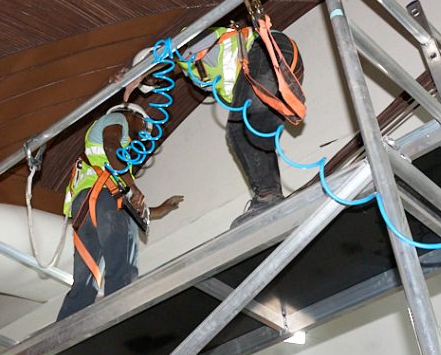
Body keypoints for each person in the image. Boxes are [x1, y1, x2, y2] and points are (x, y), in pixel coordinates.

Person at [56, 104, 183, 320]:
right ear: (132, 115)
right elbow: (112, 148)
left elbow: (126, 209)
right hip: (104, 197)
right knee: (122, 266)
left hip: (85, 210)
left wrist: (159, 210)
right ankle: (123, 318)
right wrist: (132, 187)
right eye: (143, 124)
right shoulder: (116, 120)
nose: (142, 132)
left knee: (86, 282)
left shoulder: (112, 165)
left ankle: (62, 332)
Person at [174, 24, 304, 226]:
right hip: (278, 64)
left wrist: (138, 72)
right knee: (255, 135)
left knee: (240, 130)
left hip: (265, 52)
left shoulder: (193, 41)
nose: (154, 83)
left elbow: (168, 56)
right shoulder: (195, 71)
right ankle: (271, 196)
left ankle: (267, 196)